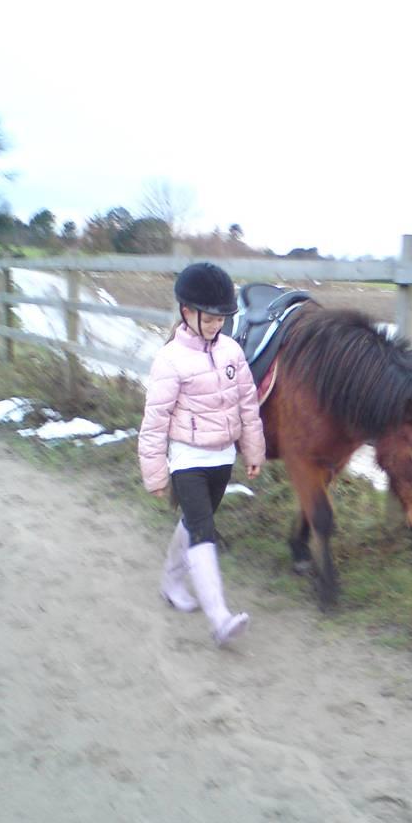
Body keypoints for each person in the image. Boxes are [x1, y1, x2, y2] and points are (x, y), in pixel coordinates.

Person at [138, 262, 265, 646]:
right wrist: (156, 472)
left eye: (222, 319)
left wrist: (253, 449)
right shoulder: (170, 360)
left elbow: (248, 404)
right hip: (187, 459)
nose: (216, 325)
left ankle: (171, 582)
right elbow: (154, 421)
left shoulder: (232, 351)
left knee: (195, 521)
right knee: (203, 528)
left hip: (221, 458)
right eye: (209, 318)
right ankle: (220, 617)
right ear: (186, 312)